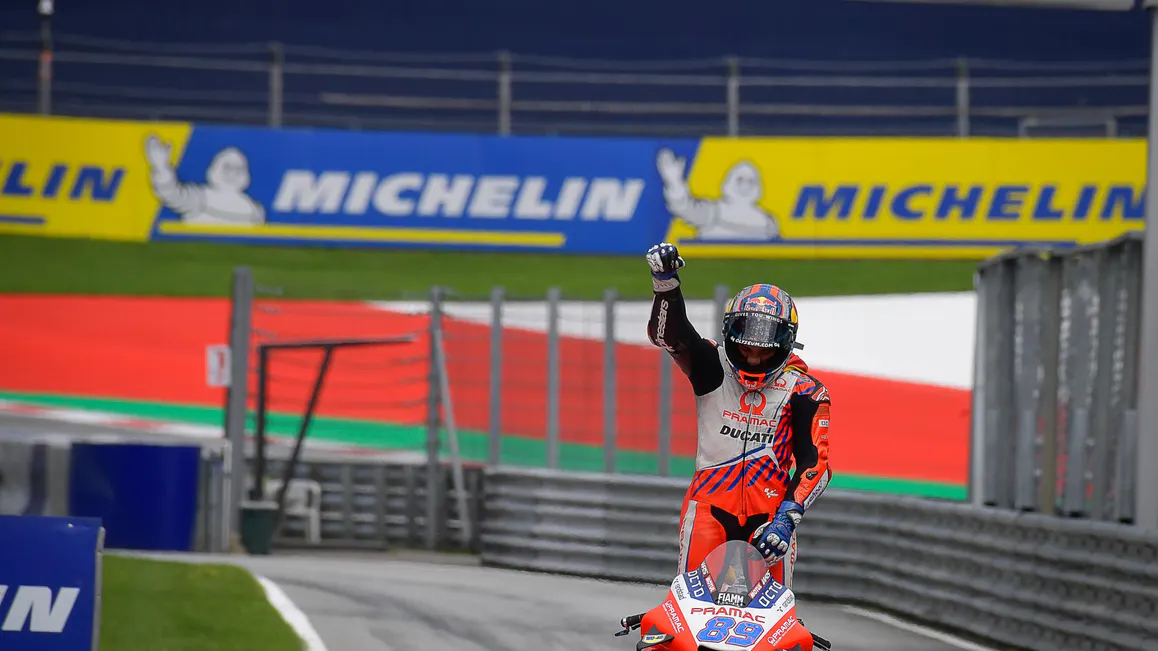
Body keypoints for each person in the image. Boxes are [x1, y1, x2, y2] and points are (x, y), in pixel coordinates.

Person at [645, 242, 832, 590]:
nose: (754, 357)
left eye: (764, 349)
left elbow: (814, 463)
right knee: (689, 605)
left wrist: (787, 520)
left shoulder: (806, 390)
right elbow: (668, 335)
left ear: (786, 342)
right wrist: (666, 283)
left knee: (776, 618)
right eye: (746, 346)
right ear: (730, 334)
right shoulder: (710, 367)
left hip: (770, 522)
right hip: (708, 510)